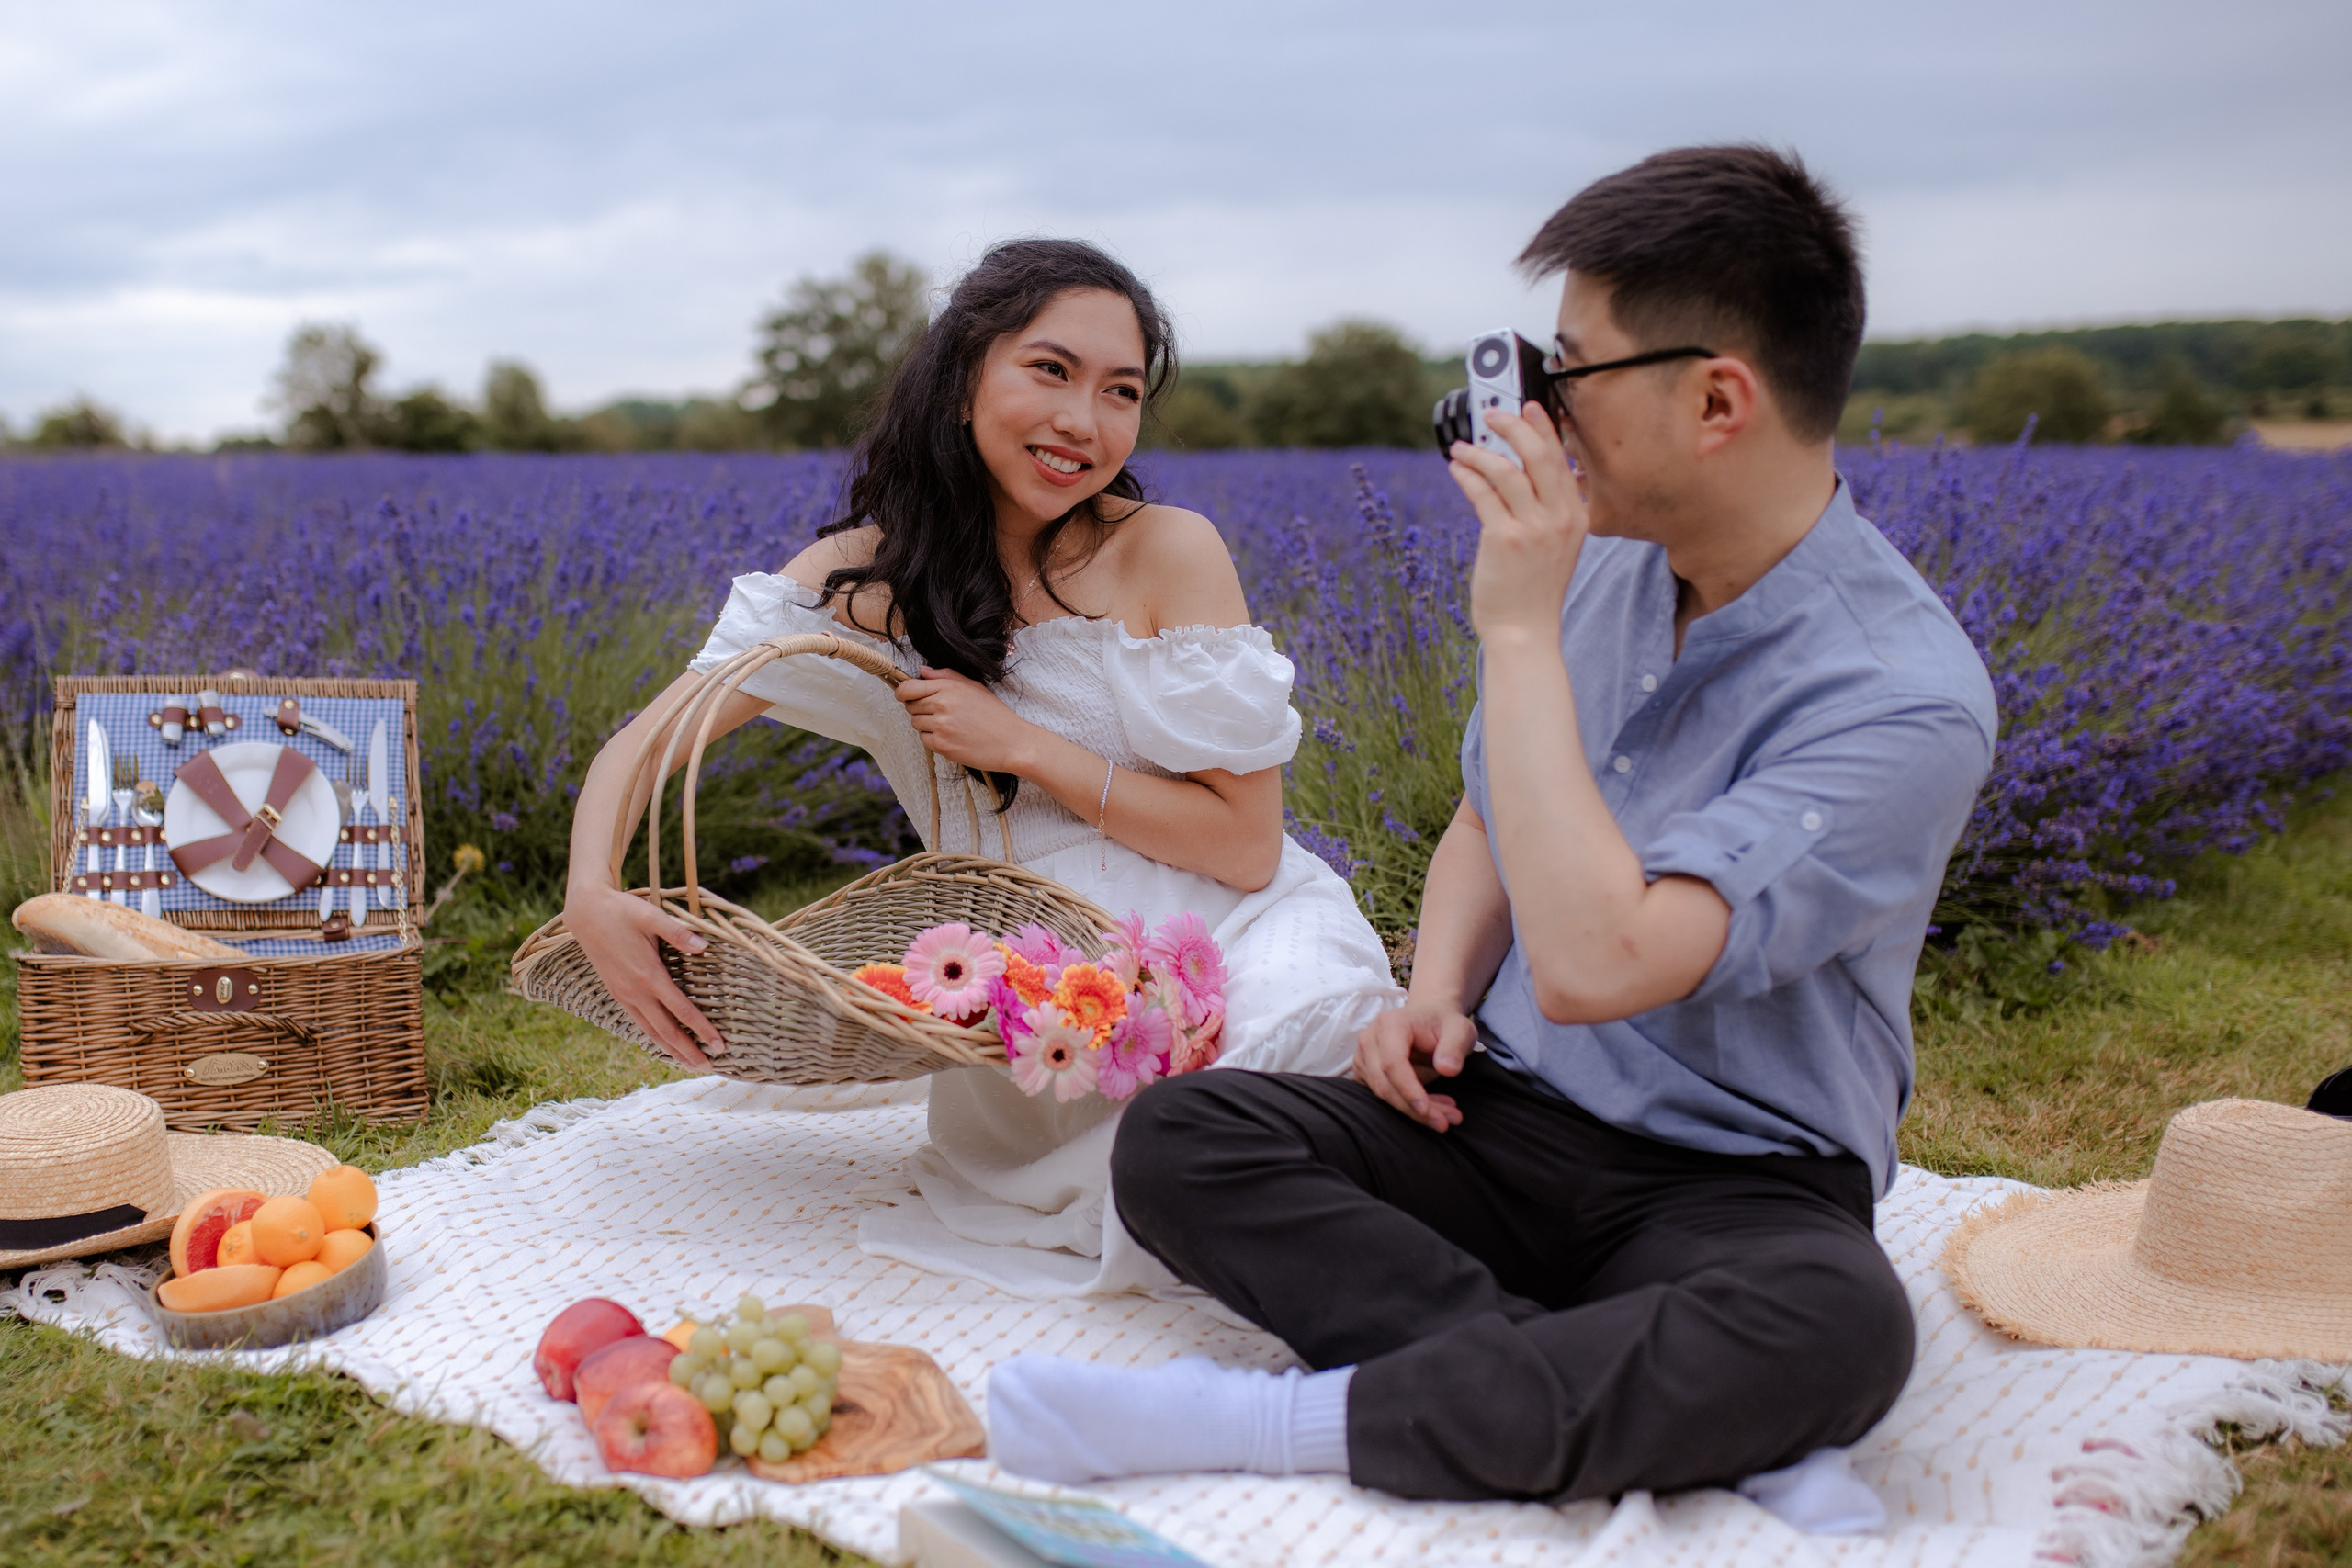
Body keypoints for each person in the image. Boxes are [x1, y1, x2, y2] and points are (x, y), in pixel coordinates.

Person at [986, 147, 1999, 1521]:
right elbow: (1486, 809)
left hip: (1735, 1177)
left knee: (1839, 1325)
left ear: (1718, 399)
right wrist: (1436, 989)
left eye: (1567, 367)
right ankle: (1658, 1404)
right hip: (1505, 1112)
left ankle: (1284, 1420)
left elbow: (1600, 961)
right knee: (1183, 1136)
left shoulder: (1902, 694)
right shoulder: (1611, 564)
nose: (1534, 403)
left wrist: (1515, 624)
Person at [560, 238, 1400, 1298]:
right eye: (1048, 370)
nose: (1082, 423)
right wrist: (591, 891)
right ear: (964, 379)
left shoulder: (1166, 551)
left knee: (1295, 1086)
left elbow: (1243, 848)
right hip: (1043, 1010)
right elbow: (645, 745)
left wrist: (1023, 749)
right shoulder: (862, 582)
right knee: (1166, 1181)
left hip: (1233, 938)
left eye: (1121, 391)